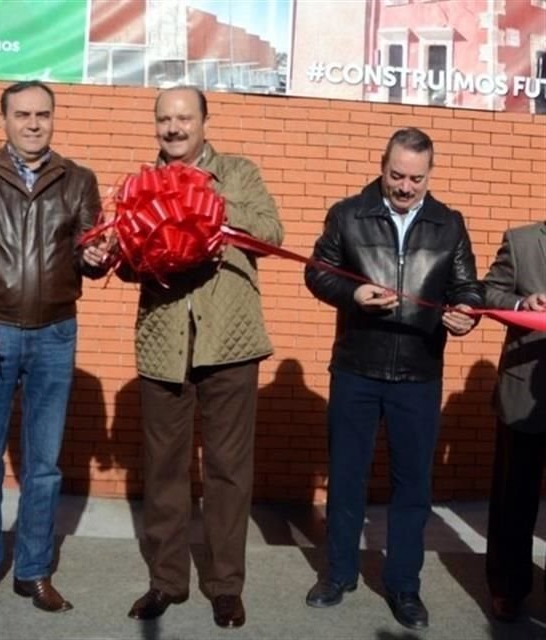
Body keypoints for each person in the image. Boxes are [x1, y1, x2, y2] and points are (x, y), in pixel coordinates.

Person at [112, 86, 282, 629]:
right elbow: (126, 265)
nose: (174, 127)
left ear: (205, 121)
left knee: (229, 471)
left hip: (230, 342)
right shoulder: (141, 184)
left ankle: (225, 585)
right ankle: (166, 581)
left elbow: (272, 234)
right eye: (165, 118)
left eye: (184, 117)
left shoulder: (238, 171)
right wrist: (115, 250)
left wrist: (208, 201)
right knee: (164, 470)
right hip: (164, 343)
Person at [0, 80, 104, 613]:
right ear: (4, 119)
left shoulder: (78, 180)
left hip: (55, 334)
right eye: (23, 114)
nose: (34, 124)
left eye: (43, 115)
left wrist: (99, 259)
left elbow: (88, 252)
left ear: (54, 119)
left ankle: (32, 571)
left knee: (44, 465)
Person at [303, 127, 482, 630]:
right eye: (397, 175)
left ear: (430, 175)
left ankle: (405, 586)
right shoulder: (348, 213)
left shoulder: (449, 223)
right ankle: (338, 574)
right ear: (382, 166)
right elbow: (317, 270)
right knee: (347, 477)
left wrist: (467, 311)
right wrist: (350, 294)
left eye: (416, 179)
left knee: (412, 488)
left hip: (419, 373)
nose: (405, 187)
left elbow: (468, 285)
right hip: (357, 368)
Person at [482, 221, 546, 622]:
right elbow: (487, 291)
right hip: (524, 393)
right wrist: (523, 304)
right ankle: (508, 587)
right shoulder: (521, 241)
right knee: (514, 500)